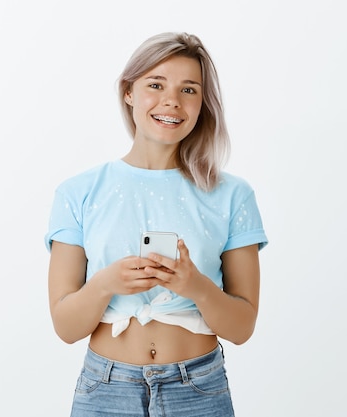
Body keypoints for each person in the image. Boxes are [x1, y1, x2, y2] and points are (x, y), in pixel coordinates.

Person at [44, 32, 268, 417]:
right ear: (128, 92)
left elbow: (241, 327)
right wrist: (106, 284)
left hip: (198, 390)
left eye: (189, 90)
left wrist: (194, 285)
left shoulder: (232, 195)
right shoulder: (77, 192)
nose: (172, 101)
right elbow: (66, 327)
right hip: (106, 391)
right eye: (155, 84)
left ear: (202, 104)